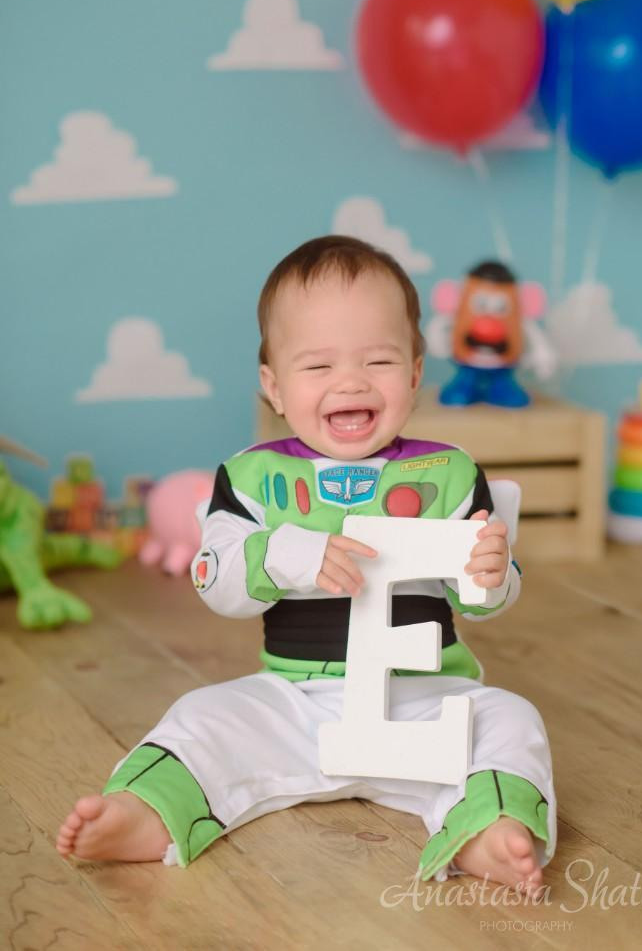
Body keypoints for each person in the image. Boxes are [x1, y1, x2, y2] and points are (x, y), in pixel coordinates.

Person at [57, 235, 555, 892]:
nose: (349, 381)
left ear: (412, 374)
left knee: (512, 719)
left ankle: (487, 826)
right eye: (317, 367)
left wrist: (493, 574)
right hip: (295, 702)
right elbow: (219, 581)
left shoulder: (448, 473)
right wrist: (293, 551)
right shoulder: (254, 477)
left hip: (426, 701)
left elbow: (481, 596)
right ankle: (148, 810)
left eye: (377, 360)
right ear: (275, 387)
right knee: (202, 715)